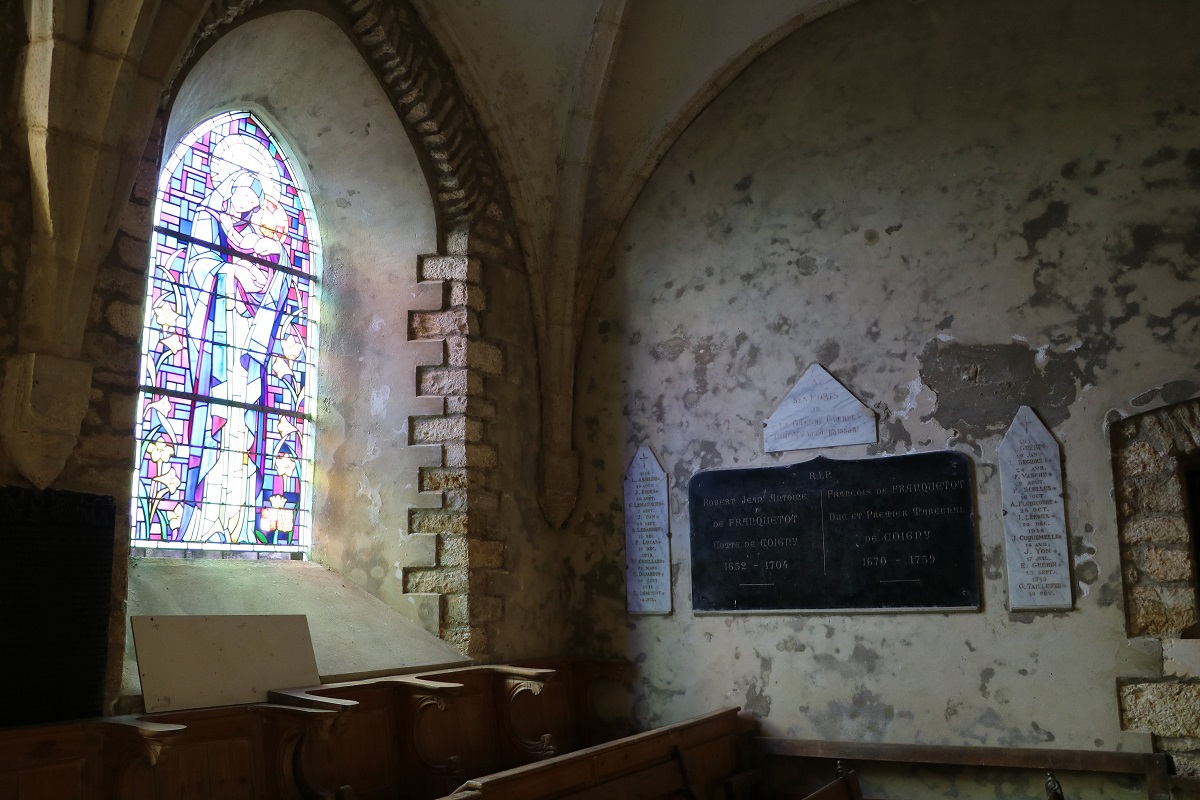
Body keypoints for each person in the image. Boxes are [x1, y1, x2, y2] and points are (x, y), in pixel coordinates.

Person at [177, 133, 292, 544]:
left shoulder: (260, 233)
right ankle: (203, 520)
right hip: (216, 340)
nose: (247, 204)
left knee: (245, 426)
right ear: (228, 187)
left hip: (248, 344)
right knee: (217, 418)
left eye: (254, 198)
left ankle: (240, 520)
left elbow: (277, 283)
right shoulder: (207, 219)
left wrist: (266, 276)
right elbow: (196, 269)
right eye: (243, 194)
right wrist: (230, 272)